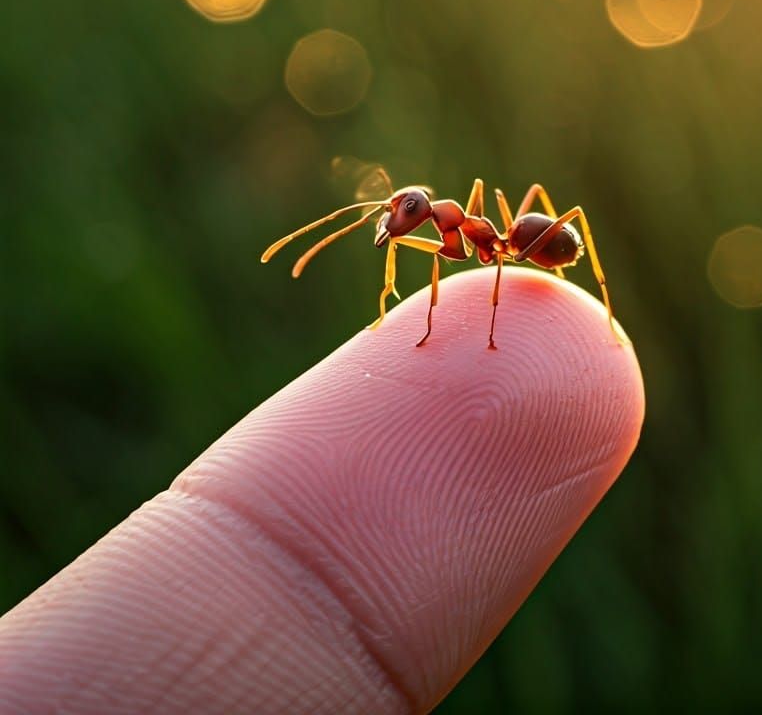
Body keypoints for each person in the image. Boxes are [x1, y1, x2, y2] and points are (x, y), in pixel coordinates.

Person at [0, 268, 644, 713]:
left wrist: (496, 319)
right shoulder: (443, 236)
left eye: (410, 213)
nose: (401, 225)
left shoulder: (486, 243)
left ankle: (604, 303)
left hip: (539, 279)